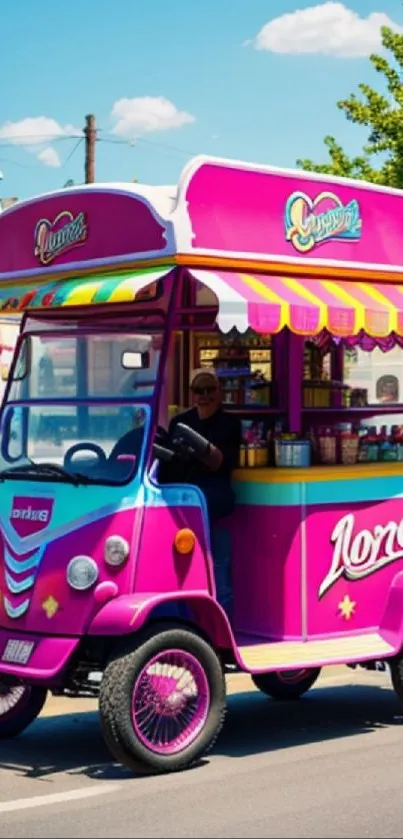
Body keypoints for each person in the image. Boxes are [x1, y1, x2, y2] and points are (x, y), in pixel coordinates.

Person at [159, 369, 242, 620]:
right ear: (192, 394)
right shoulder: (180, 422)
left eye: (210, 390)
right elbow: (168, 466)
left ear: (219, 392)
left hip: (213, 496)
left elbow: (220, 463)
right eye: (199, 391)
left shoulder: (230, 424)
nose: (205, 396)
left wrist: (199, 448)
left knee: (216, 562)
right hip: (183, 496)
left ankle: (219, 620)